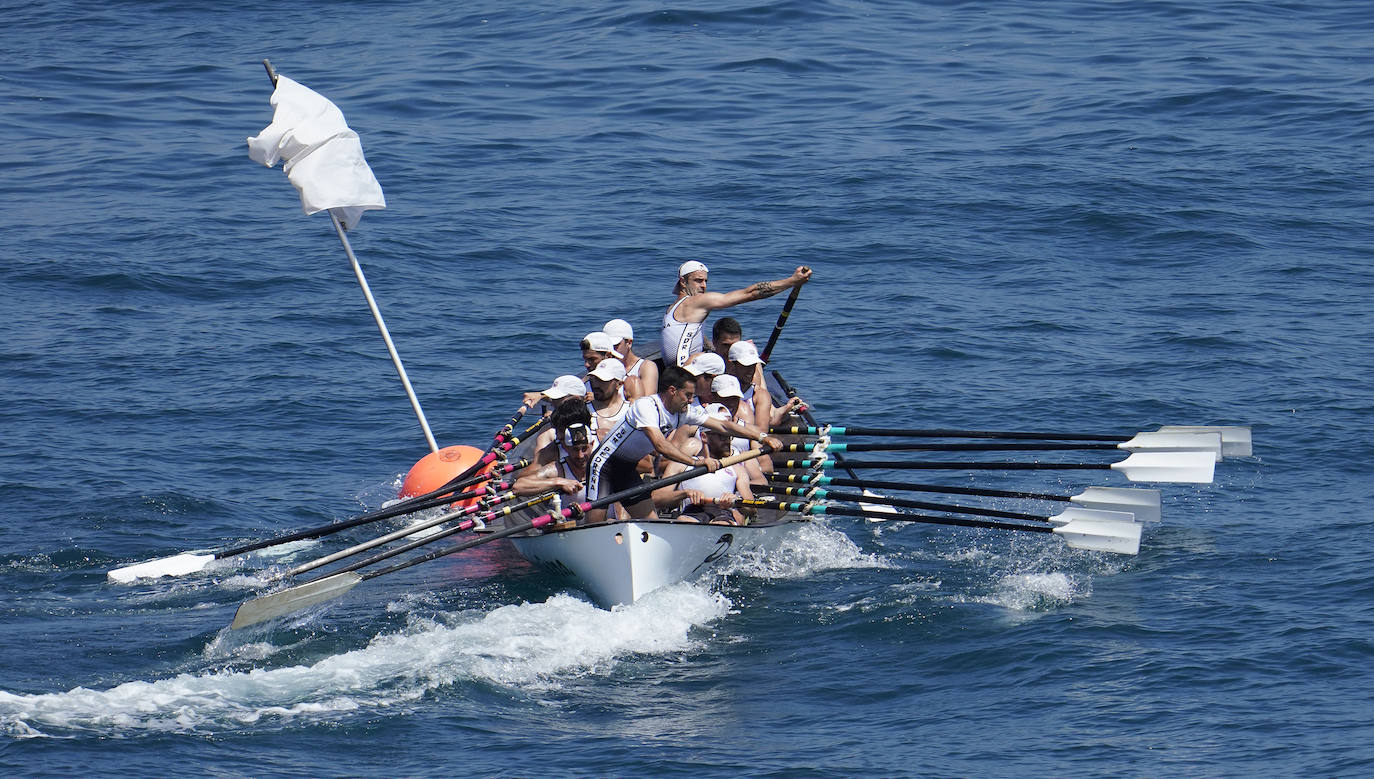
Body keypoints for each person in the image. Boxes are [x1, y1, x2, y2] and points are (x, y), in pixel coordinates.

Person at [584, 364, 781, 522]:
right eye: (688, 395)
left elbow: (724, 427)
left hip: (627, 469)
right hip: (604, 465)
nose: (691, 400)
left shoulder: (682, 412)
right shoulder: (646, 407)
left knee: (651, 521)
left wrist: (762, 437)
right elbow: (661, 446)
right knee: (595, 522)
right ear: (672, 391)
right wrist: (695, 463)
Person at [661, 261, 813, 367]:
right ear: (683, 282)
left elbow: (693, 336)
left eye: (705, 281)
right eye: (698, 281)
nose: (704, 286)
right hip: (687, 375)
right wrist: (792, 281)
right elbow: (751, 293)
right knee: (748, 351)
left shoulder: (671, 309)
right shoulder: (695, 302)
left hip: (675, 370)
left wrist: (714, 348)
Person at [652, 404, 757, 525]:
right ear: (704, 437)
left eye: (729, 436)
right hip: (691, 513)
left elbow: (752, 509)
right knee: (684, 522)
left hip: (723, 514)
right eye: (722, 436)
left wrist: (737, 501)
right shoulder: (680, 465)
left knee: (721, 524)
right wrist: (684, 494)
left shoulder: (737, 469)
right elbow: (656, 499)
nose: (727, 440)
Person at [514, 398, 596, 503]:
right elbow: (520, 483)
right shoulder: (551, 451)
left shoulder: (603, 438)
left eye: (561, 431)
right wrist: (557, 482)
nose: (558, 435)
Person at [604, 318, 658, 401]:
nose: (611, 351)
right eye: (607, 346)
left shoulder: (646, 367)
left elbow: (647, 402)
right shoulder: (602, 368)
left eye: (615, 346)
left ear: (629, 343)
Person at [587, 358, 629, 441]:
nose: (596, 385)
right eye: (594, 379)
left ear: (619, 384)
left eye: (603, 381)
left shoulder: (629, 411)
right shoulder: (584, 410)